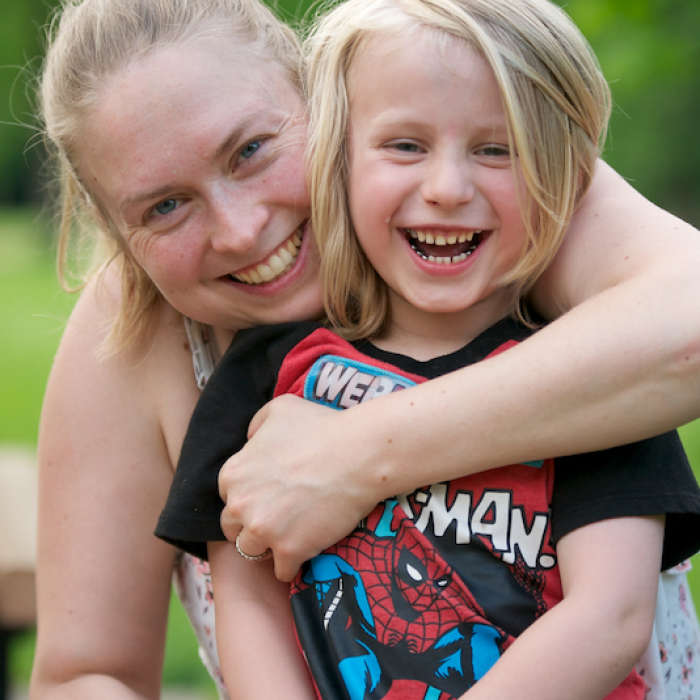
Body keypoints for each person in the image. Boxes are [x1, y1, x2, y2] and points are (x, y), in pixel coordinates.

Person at [30, 0, 700, 698]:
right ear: (115, 229)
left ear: (327, 100)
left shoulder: (502, 199)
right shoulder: (169, 340)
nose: (239, 229)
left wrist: (352, 459)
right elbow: (87, 673)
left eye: (252, 150)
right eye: (163, 207)